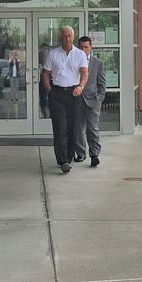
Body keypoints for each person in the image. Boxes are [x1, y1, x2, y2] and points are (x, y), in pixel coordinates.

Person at [41, 26, 88, 174]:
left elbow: (84, 73)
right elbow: (45, 74)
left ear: (73, 37)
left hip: (74, 93)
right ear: (60, 37)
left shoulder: (80, 54)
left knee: (73, 127)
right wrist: (50, 90)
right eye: (64, 36)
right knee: (60, 127)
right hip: (58, 93)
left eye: (69, 36)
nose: (67, 39)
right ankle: (63, 160)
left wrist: (81, 86)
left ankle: (69, 157)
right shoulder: (52, 54)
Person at [74, 36, 106, 167]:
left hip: (93, 100)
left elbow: (102, 83)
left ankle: (94, 154)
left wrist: (99, 99)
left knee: (92, 128)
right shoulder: (73, 61)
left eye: (86, 47)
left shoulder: (97, 63)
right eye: (81, 47)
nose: (83, 49)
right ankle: (81, 154)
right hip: (77, 100)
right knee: (78, 129)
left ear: (90, 47)